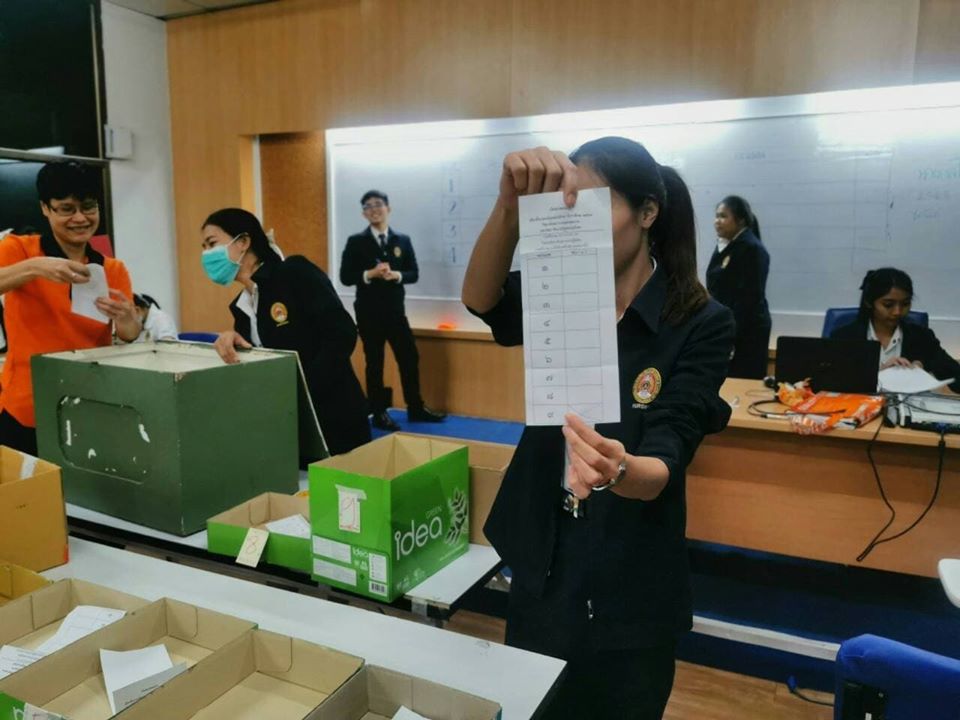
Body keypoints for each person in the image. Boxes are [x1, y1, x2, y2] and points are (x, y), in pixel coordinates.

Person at [461, 138, 735, 719]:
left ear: (647, 212)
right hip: (546, 558)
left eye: (593, 203)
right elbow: (481, 299)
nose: (575, 218)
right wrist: (509, 208)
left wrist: (620, 470)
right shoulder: (557, 290)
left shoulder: (699, 321)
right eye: (566, 203)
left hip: (632, 572)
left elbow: (671, 445)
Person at [201, 208, 370, 456]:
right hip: (287, 422)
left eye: (211, 243)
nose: (206, 254)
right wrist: (236, 342)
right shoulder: (242, 306)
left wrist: (303, 392)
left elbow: (341, 334)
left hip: (333, 415)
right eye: (204, 247)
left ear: (243, 242)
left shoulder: (293, 273)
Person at [0, 161, 139, 455]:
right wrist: (36, 267)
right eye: (66, 209)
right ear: (45, 208)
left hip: (88, 403)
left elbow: (128, 334)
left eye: (88, 207)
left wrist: (129, 320)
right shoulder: (20, 249)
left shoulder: (112, 268)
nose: (80, 218)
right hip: (27, 407)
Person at [340, 190, 445, 431]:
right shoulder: (356, 242)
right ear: (363, 214)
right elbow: (345, 277)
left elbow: (413, 273)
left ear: (388, 208)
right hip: (368, 313)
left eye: (378, 204)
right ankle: (378, 412)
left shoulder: (402, 240)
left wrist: (396, 275)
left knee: (409, 357)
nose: (374, 209)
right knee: (374, 362)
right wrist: (370, 274)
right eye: (368, 206)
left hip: (396, 312)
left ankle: (415, 408)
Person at [831, 267, 960, 391]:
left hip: (910, 404)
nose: (897, 312)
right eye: (888, 305)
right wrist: (878, 374)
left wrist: (922, 370)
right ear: (869, 302)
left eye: (905, 304)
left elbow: (957, 378)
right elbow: (830, 383)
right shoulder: (844, 336)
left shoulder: (922, 337)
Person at [705, 195, 771, 379]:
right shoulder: (726, 246)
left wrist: (731, 333)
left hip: (747, 329)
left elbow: (749, 298)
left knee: (743, 381)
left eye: (723, 216)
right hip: (729, 325)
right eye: (716, 216)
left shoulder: (751, 248)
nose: (717, 221)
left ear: (740, 220)